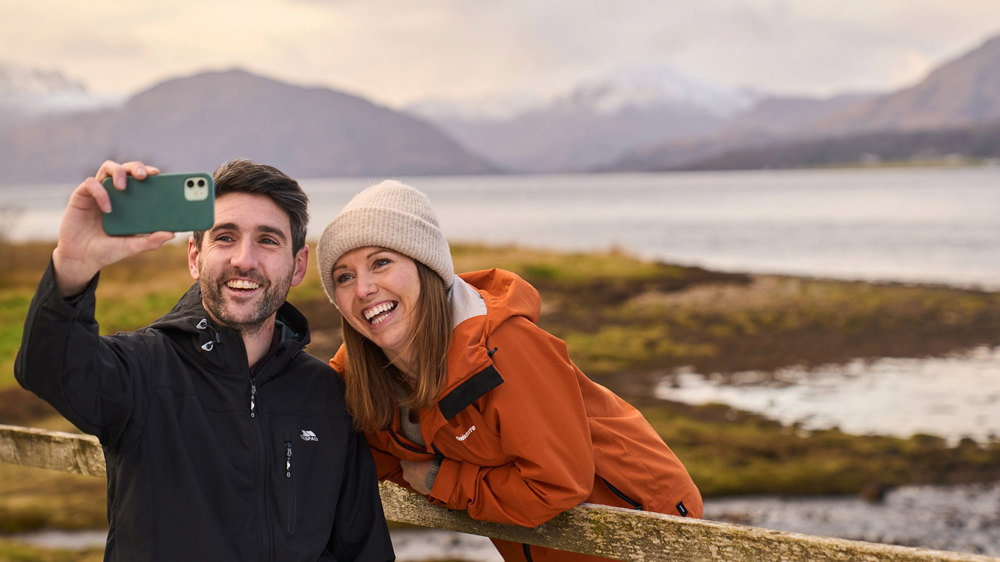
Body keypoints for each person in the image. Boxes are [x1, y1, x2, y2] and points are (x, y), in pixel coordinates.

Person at [15, 160, 394, 561]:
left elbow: (363, 549)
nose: (244, 260)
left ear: (297, 265)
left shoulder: (328, 395)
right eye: (226, 237)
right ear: (195, 256)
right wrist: (74, 264)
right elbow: (46, 366)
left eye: (267, 240)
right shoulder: (143, 370)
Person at [316, 180, 703, 561]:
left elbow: (557, 484)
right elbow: (368, 461)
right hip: (540, 545)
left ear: (425, 266)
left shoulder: (503, 347)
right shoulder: (361, 373)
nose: (363, 288)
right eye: (344, 277)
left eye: (381, 263)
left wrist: (440, 480)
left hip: (645, 528)